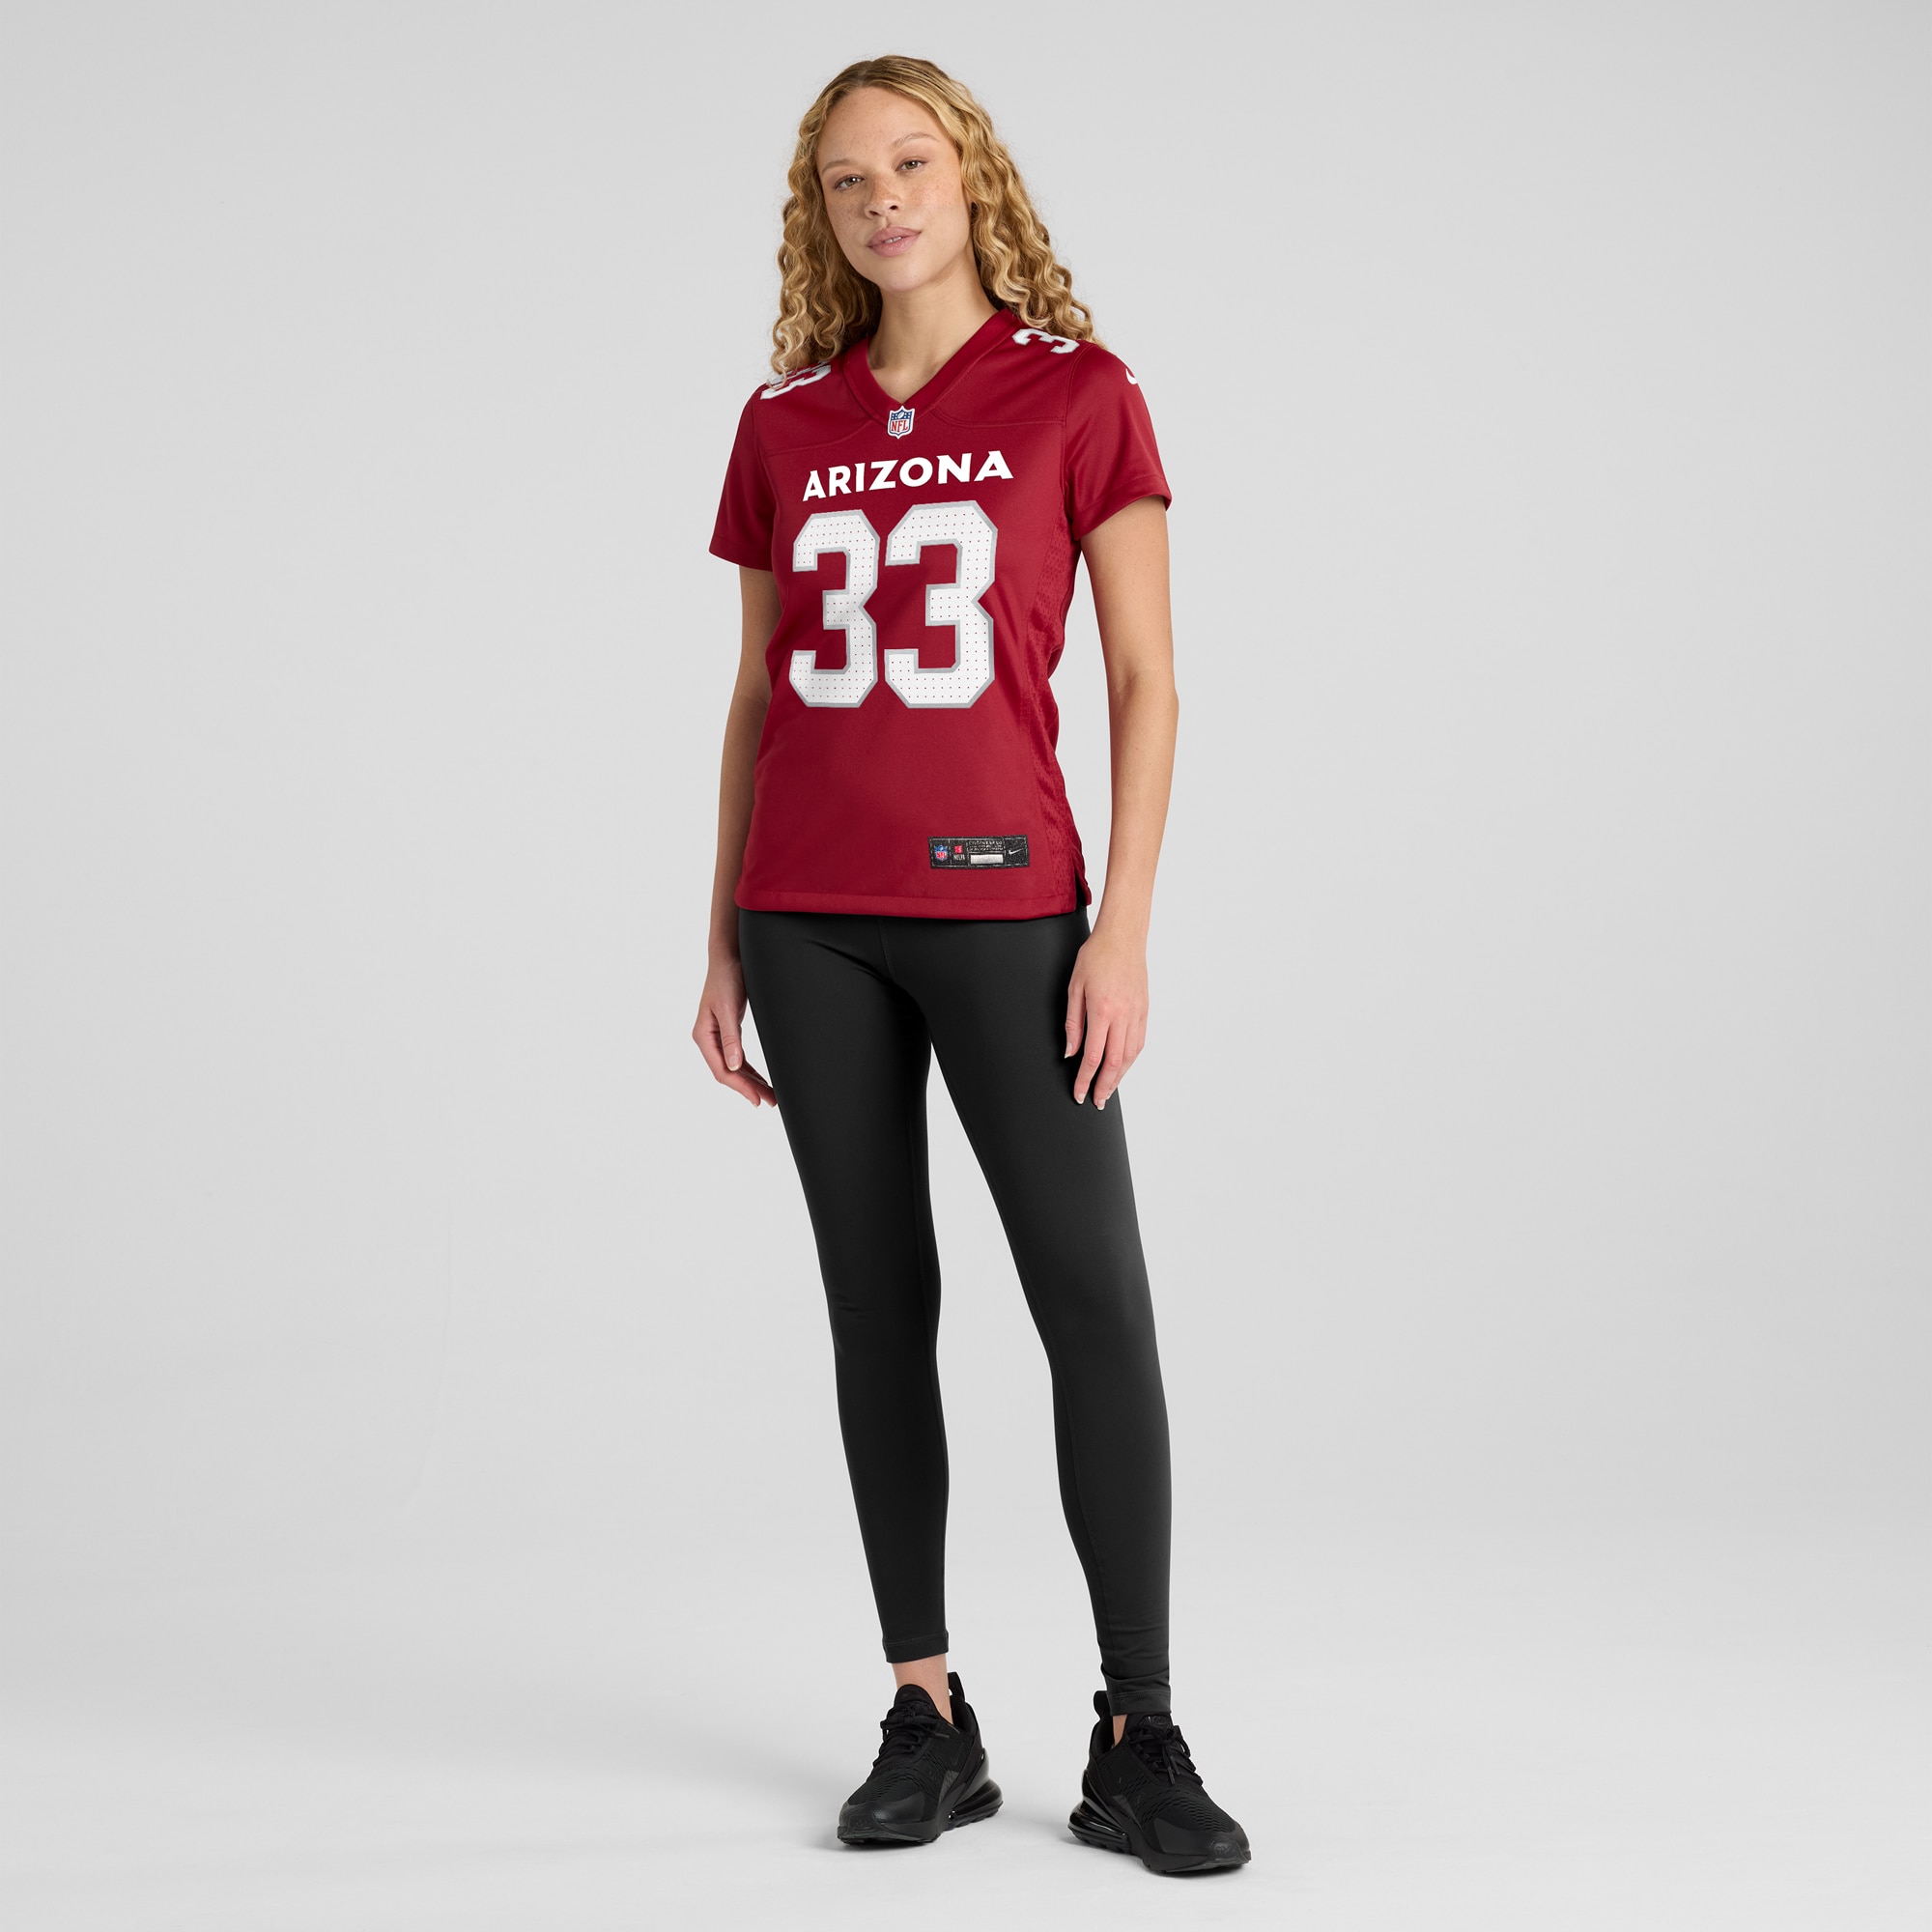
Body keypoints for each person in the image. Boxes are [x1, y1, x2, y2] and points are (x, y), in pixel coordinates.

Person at [693, 54, 1250, 1877]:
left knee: (1094, 1303)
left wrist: (1123, 927)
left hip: (1010, 910)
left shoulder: (1079, 394)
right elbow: (759, 693)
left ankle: (1137, 1729)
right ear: (822, 214)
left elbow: (1148, 679)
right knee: (878, 1306)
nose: (882, 201)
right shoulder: (785, 422)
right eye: (846, 180)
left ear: (972, 176)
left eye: (911, 163)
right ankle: (925, 1710)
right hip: (809, 918)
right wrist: (720, 932)